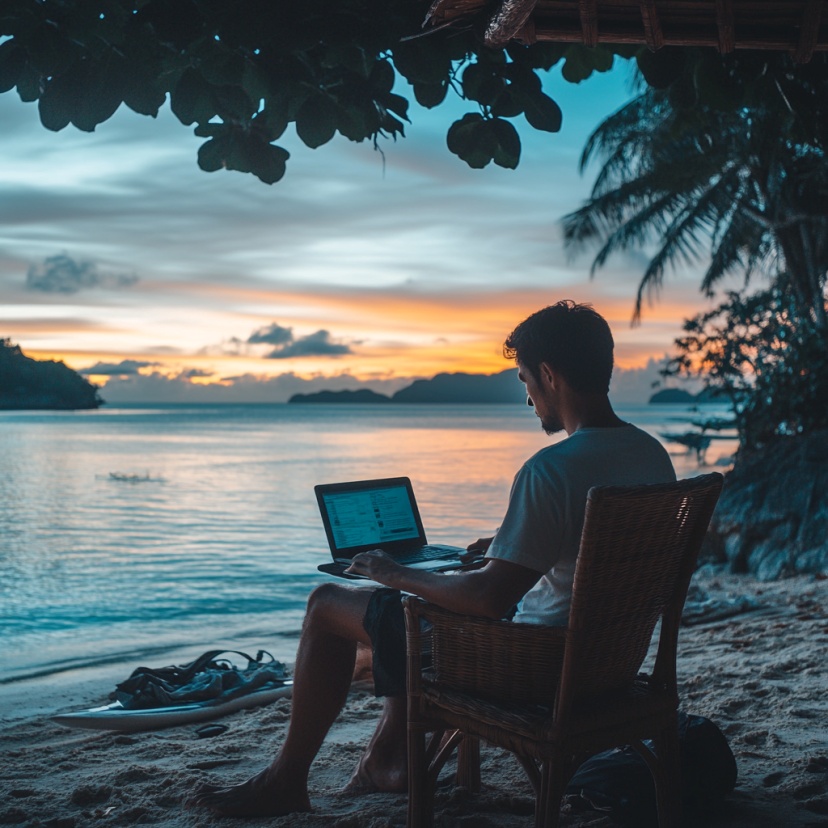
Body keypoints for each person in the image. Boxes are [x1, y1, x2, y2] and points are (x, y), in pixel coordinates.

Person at [191, 300, 676, 818]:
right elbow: (588, 550)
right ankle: (390, 759)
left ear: (549, 375)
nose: (528, 398)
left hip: (531, 669)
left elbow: (489, 601)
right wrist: (506, 550)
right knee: (404, 615)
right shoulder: (651, 456)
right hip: (610, 664)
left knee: (330, 603)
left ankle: (286, 780)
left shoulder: (549, 470)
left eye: (524, 380)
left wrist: (392, 571)